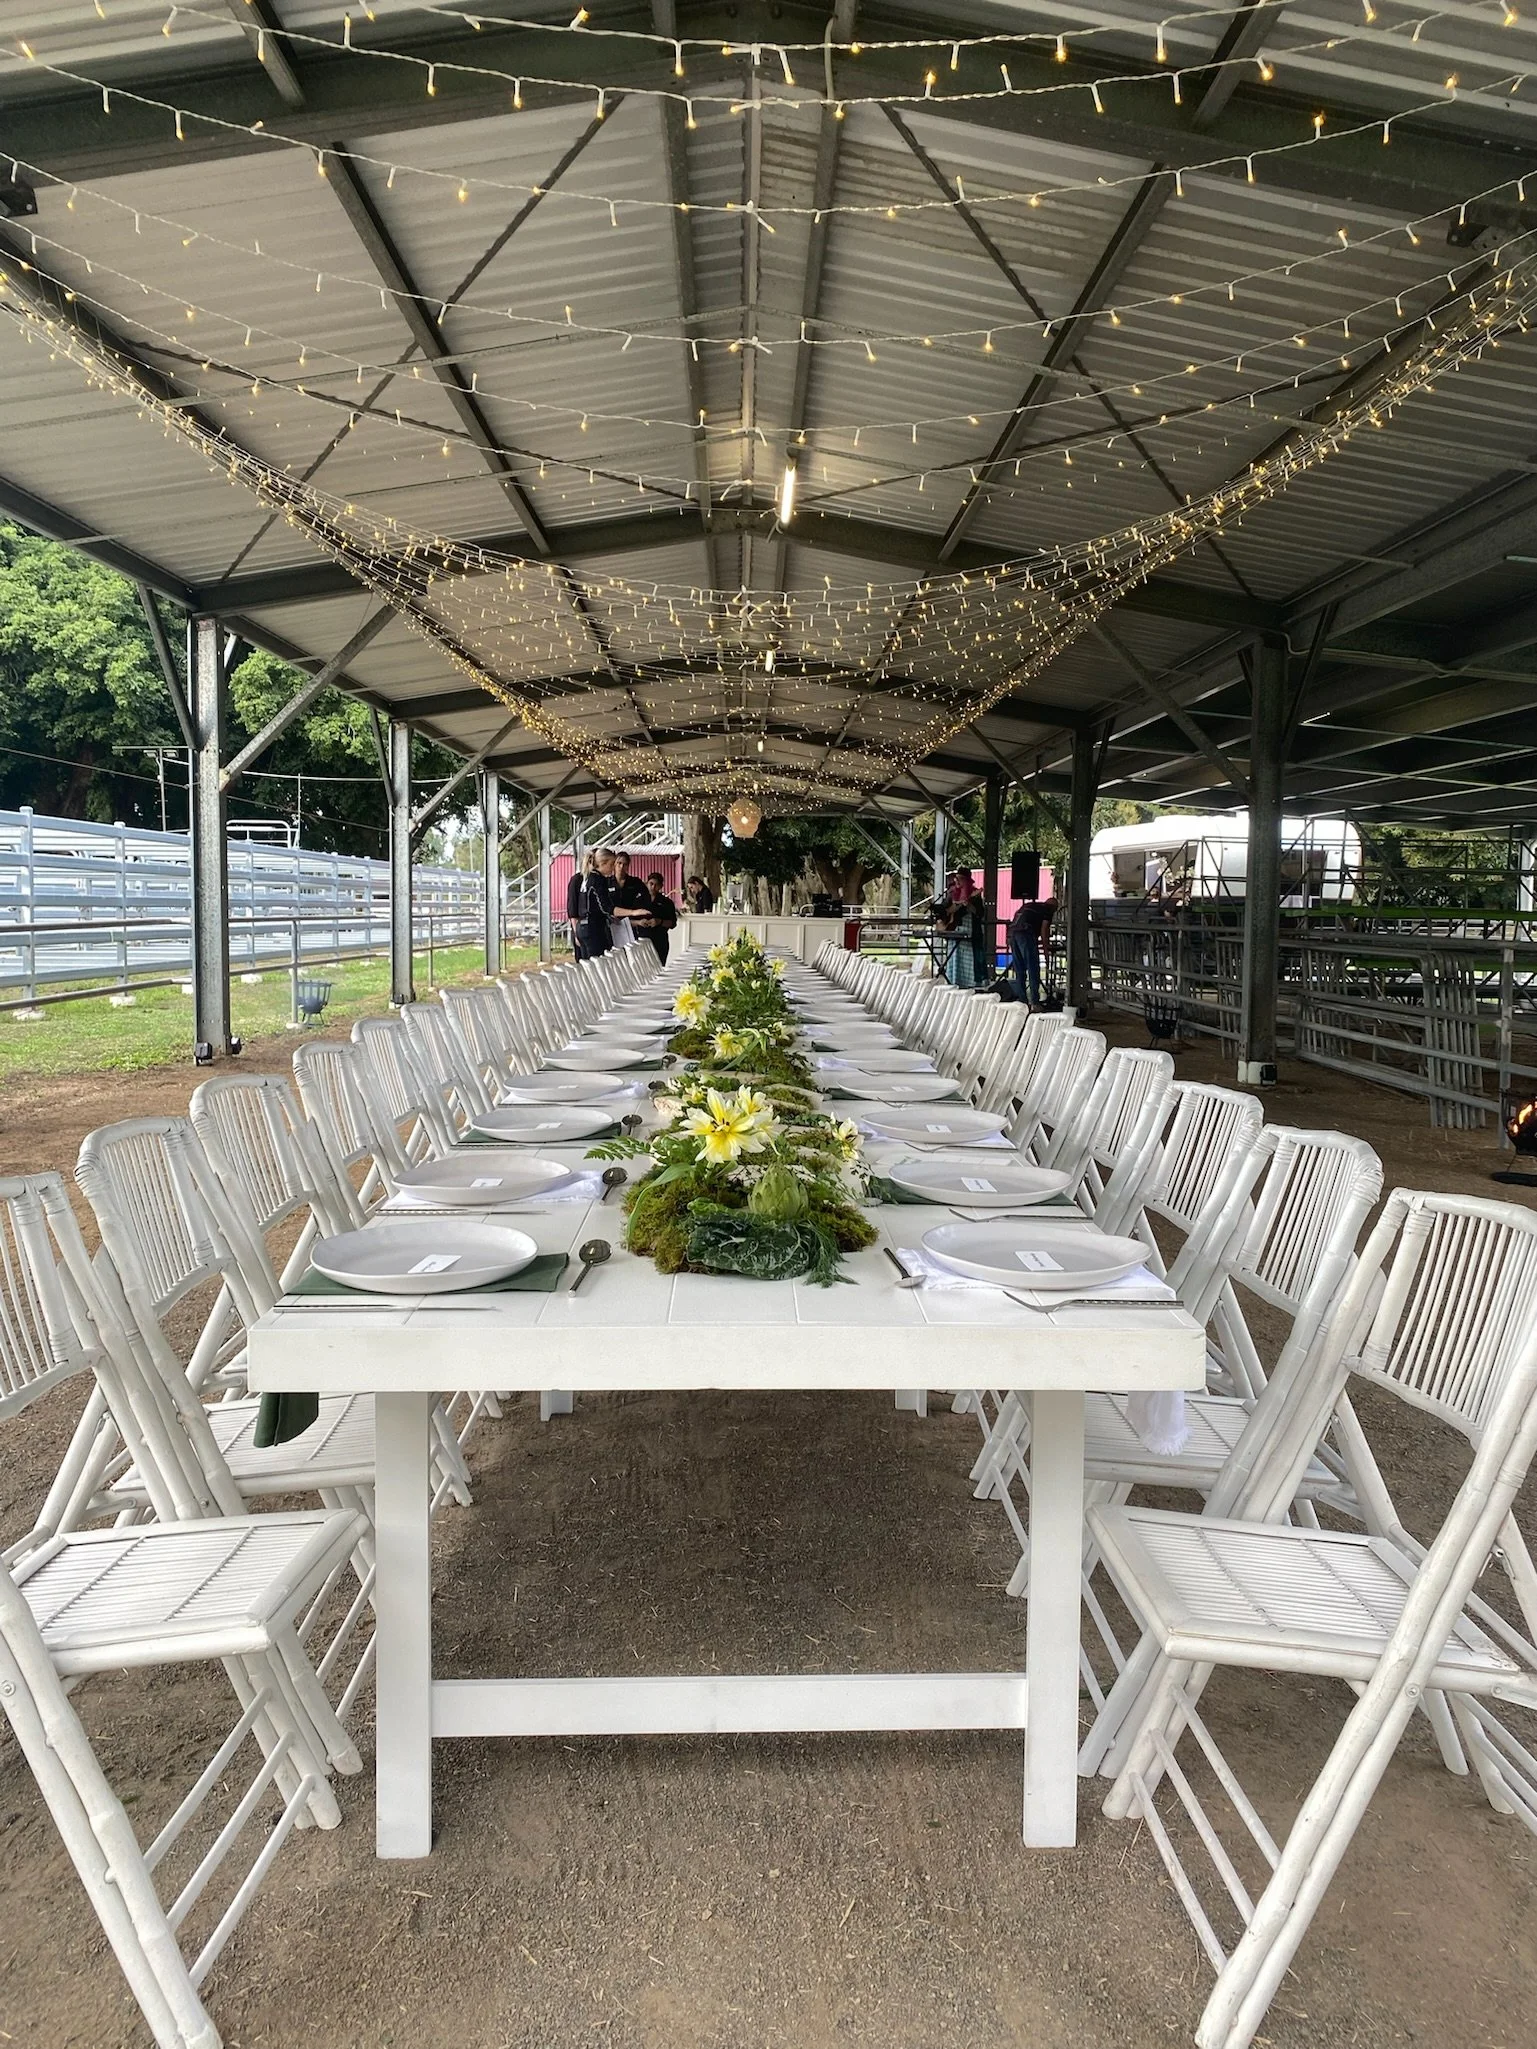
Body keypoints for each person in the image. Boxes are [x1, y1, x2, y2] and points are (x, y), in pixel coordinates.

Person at [1009, 891, 1057, 1007]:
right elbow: (1044, 931)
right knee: (1033, 968)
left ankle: (1022, 1001)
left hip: (1012, 933)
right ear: (1054, 908)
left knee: (1019, 969)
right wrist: (1046, 952)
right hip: (1026, 932)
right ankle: (1035, 1002)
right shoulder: (1047, 910)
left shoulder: (1030, 905)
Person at [937, 869, 979, 989]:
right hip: (953, 930)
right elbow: (944, 909)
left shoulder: (975, 894)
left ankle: (968, 986)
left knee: (967, 962)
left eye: (960, 878)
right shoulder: (952, 893)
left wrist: (968, 905)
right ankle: (952, 983)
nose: (957, 881)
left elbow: (979, 913)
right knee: (953, 958)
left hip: (968, 930)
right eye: (956, 878)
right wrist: (943, 916)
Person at [609, 851, 652, 949]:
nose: (621, 867)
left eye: (624, 864)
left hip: (632, 925)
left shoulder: (635, 883)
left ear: (628, 866)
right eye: (619, 863)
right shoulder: (606, 883)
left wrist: (638, 917)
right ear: (614, 864)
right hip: (612, 924)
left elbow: (646, 901)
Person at [578, 849, 616, 959]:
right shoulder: (598, 879)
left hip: (583, 925)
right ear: (602, 863)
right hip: (593, 927)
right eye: (611, 864)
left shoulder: (587, 877)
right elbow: (606, 907)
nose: (613, 868)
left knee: (588, 964)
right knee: (599, 962)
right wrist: (633, 912)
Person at [644, 871, 678, 964]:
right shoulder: (639, 899)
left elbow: (673, 923)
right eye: (651, 884)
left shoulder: (667, 903)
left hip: (660, 940)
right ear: (647, 883)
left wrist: (660, 922)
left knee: (659, 968)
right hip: (642, 940)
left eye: (656, 885)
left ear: (661, 886)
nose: (653, 887)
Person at [565, 852, 594, 961]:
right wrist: (576, 933)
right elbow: (572, 908)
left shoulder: (596, 880)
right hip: (580, 926)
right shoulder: (576, 880)